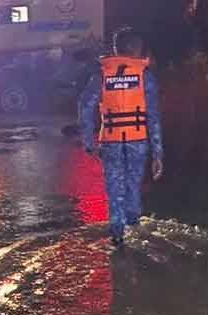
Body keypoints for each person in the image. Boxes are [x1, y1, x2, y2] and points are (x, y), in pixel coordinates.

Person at [79, 30, 165, 246]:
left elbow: (85, 107)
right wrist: (158, 153)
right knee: (134, 185)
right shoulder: (145, 76)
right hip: (138, 140)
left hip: (110, 141)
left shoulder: (101, 75)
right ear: (137, 50)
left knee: (114, 188)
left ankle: (117, 235)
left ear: (116, 49)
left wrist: (89, 142)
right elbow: (153, 117)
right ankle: (135, 226)